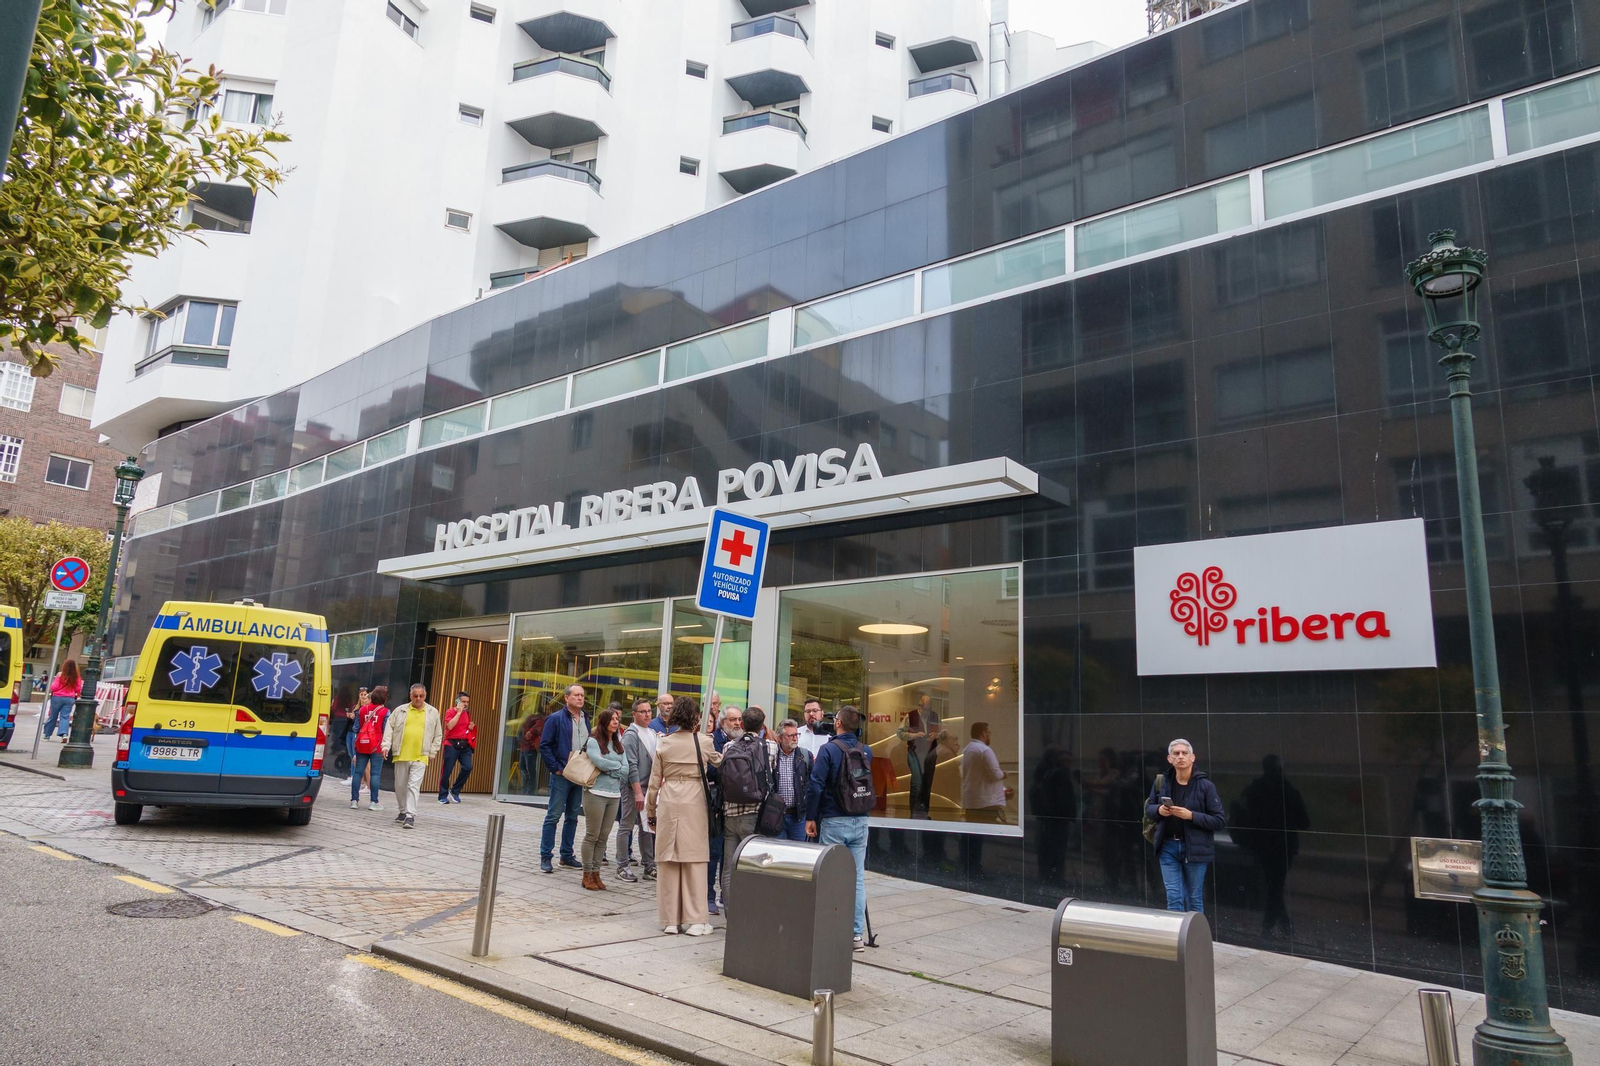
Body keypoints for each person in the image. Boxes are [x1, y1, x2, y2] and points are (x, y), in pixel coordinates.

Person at [646, 696, 724, 936]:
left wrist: (651, 811)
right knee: (695, 861)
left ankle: (671, 920)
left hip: (669, 801)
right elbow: (720, 762)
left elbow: (654, 783)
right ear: (696, 718)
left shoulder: (664, 743)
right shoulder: (703, 741)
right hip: (694, 800)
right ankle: (696, 920)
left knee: (668, 860)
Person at [807, 704, 873, 952]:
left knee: (830, 876)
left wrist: (811, 817)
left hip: (834, 819)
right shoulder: (866, 751)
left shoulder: (828, 750)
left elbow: (816, 785)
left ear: (838, 723)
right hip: (861, 819)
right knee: (857, 879)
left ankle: (829, 930)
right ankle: (856, 935)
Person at [1145, 738, 1226, 915]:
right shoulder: (1162, 782)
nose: (1180, 757)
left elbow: (1219, 820)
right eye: (1176, 753)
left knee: (1194, 898)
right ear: (1169, 759)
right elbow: (1149, 809)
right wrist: (1159, 810)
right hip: (1168, 846)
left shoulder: (1205, 786)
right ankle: (1176, 939)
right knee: (1174, 896)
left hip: (1195, 849)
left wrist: (1191, 816)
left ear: (1192, 757)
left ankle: (1194, 940)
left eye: (1184, 753)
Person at [718, 705, 778, 915]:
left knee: (729, 868)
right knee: (754, 867)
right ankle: (752, 913)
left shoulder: (728, 747)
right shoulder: (770, 747)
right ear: (762, 726)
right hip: (755, 814)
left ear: (741, 724)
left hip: (730, 814)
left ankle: (730, 915)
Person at [538, 684, 589, 873]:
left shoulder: (586, 718)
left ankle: (566, 855)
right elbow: (545, 745)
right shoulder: (555, 718)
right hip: (562, 774)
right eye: (576, 695)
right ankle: (546, 857)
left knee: (573, 816)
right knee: (553, 815)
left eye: (582, 695)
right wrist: (556, 768)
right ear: (566, 698)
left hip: (579, 774)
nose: (580, 698)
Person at [580, 705, 630, 891]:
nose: (616, 722)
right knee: (592, 835)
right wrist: (616, 767)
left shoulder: (619, 743)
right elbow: (598, 762)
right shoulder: (594, 741)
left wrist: (611, 768)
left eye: (617, 719)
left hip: (614, 795)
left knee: (603, 836)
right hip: (595, 793)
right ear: (604, 722)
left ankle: (596, 872)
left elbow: (626, 767)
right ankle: (587, 874)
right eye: (612, 719)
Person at [380, 684, 442, 829]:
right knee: (400, 786)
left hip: (421, 755)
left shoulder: (432, 712)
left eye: (421, 696)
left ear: (425, 696)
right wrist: (385, 745)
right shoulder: (400, 710)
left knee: (413, 786)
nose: (418, 699)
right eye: (415, 696)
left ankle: (410, 815)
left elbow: (438, 734)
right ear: (410, 695)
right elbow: (390, 728)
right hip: (401, 754)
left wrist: (433, 751)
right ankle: (402, 811)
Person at [960, 722, 1012, 876]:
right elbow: (995, 774)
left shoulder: (967, 750)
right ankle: (976, 870)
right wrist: (1005, 774)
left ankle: (968, 868)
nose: (990, 735)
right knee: (979, 839)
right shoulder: (984, 750)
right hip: (985, 801)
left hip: (971, 799)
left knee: (970, 838)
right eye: (989, 732)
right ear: (983, 733)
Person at [617, 698, 658, 882]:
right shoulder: (631, 735)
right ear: (634, 714)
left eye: (649, 711)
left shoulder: (651, 732)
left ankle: (649, 866)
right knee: (626, 826)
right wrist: (638, 792)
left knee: (647, 827)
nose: (648, 714)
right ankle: (622, 865)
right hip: (634, 787)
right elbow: (631, 764)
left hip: (648, 787)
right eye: (643, 711)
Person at [706, 703, 741, 914]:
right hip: (718, 804)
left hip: (737, 806)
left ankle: (724, 895)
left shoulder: (743, 741)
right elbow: (709, 769)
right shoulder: (714, 740)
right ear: (722, 722)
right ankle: (708, 895)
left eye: (739, 720)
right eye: (732, 720)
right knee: (714, 852)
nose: (737, 723)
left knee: (731, 855)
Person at [898, 694, 946, 818]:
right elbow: (900, 733)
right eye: (925, 709)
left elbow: (943, 734)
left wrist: (937, 735)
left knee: (927, 783)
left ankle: (924, 812)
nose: (927, 712)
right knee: (917, 782)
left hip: (930, 753)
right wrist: (914, 736)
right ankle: (914, 812)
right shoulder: (910, 716)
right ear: (920, 706)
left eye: (929, 709)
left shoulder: (935, 716)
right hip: (915, 752)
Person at [349, 685, 389, 810]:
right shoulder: (385, 712)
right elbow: (386, 730)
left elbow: (356, 728)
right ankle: (373, 802)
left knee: (358, 772)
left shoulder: (362, 710)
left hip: (362, 744)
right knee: (375, 774)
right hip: (377, 746)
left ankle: (354, 801)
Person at [774, 718, 813, 841]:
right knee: (778, 853)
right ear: (779, 738)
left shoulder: (805, 756)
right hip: (776, 816)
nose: (795, 738)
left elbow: (812, 784)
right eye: (790, 735)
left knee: (798, 854)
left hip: (798, 816)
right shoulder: (771, 755)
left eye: (796, 734)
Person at [437, 691, 475, 804]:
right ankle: (442, 795)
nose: (465, 704)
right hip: (451, 744)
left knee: (468, 767)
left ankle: (454, 790)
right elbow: (449, 726)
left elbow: (464, 728)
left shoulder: (467, 713)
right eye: (463, 701)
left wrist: (470, 727)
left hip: (464, 744)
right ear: (457, 701)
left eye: (467, 702)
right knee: (447, 770)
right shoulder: (450, 711)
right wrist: (458, 713)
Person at [44, 658, 81, 741]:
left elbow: (54, 687)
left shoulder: (60, 675)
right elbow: (78, 689)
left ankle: (47, 735)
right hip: (70, 698)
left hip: (57, 698)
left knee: (53, 716)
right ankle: (64, 734)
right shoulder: (77, 677)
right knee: (65, 717)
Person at [518, 708, 544, 796]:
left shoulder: (535, 717)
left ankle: (529, 792)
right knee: (523, 768)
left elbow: (540, 724)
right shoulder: (529, 716)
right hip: (524, 746)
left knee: (530, 770)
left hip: (530, 747)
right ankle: (525, 790)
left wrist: (530, 732)